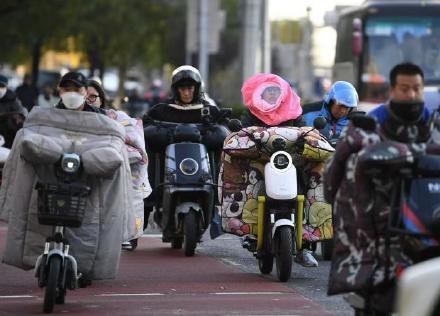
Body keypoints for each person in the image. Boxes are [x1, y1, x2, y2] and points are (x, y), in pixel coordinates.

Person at [324, 63, 439, 313]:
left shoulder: (434, 124)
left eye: (416, 89)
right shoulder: (368, 126)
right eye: (404, 88)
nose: (410, 95)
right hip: (378, 233)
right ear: (392, 89)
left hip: (429, 222)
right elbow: (332, 178)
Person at [225, 73, 329, 268]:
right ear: (260, 94)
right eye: (268, 91)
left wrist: (309, 136)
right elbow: (243, 133)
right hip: (260, 162)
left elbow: (304, 131)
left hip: (290, 163)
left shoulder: (293, 111)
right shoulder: (252, 113)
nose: (272, 95)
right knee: (249, 183)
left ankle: (305, 243)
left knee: (305, 185)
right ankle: (250, 230)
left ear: (283, 93)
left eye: (275, 91)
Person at [146, 65, 216, 123]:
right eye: (182, 89)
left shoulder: (208, 110)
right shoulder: (163, 109)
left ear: (197, 89)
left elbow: (224, 126)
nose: (186, 93)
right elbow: (144, 125)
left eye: (190, 88)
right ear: (176, 90)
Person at [0, 74, 27, 148]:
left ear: (6, 87)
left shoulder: (12, 99)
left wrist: (18, 117)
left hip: (7, 135)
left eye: (2, 86)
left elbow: (22, 112)